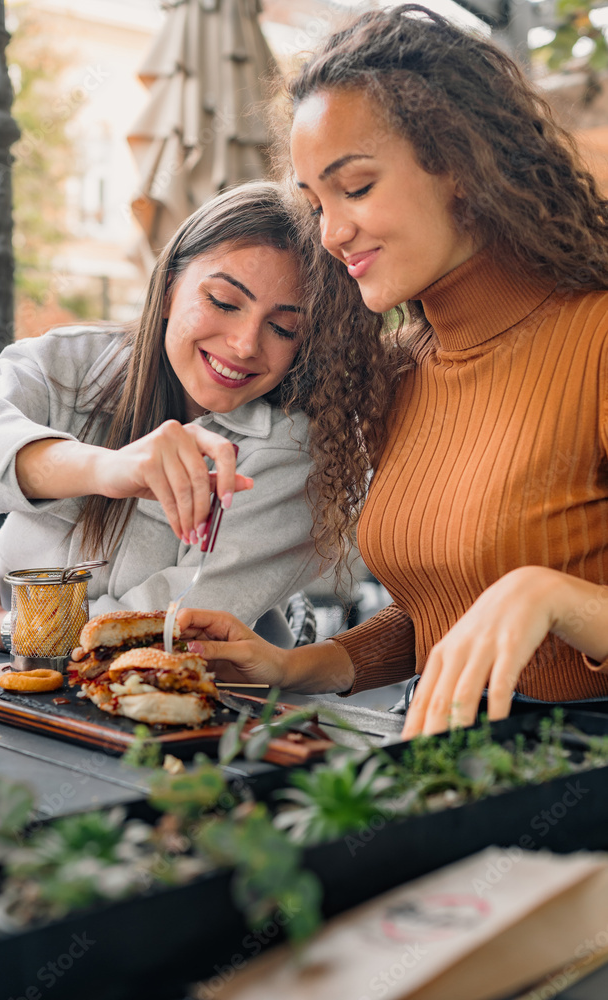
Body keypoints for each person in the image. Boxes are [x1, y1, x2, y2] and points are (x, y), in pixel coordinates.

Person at [176, 5, 608, 736]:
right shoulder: (402, 371)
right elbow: (440, 612)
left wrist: (552, 597)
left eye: (356, 187)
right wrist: (292, 668)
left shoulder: (593, 338)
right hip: (439, 751)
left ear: (461, 168)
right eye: (315, 203)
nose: (331, 232)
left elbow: (518, 606)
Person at [0, 182, 332, 647]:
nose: (246, 344)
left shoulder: (294, 453)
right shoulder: (68, 363)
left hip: (178, 710)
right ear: (168, 288)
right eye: (224, 303)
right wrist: (100, 468)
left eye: (283, 328)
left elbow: (162, 634)